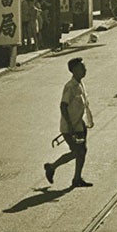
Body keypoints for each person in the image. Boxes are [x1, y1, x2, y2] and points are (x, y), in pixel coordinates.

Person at [44, 57, 94, 188]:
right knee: (77, 152)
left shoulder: (80, 84)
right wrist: (70, 126)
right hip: (70, 127)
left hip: (80, 125)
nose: (85, 69)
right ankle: (52, 167)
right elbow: (63, 106)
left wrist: (87, 120)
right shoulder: (70, 87)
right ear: (75, 70)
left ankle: (77, 178)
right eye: (82, 67)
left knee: (81, 151)